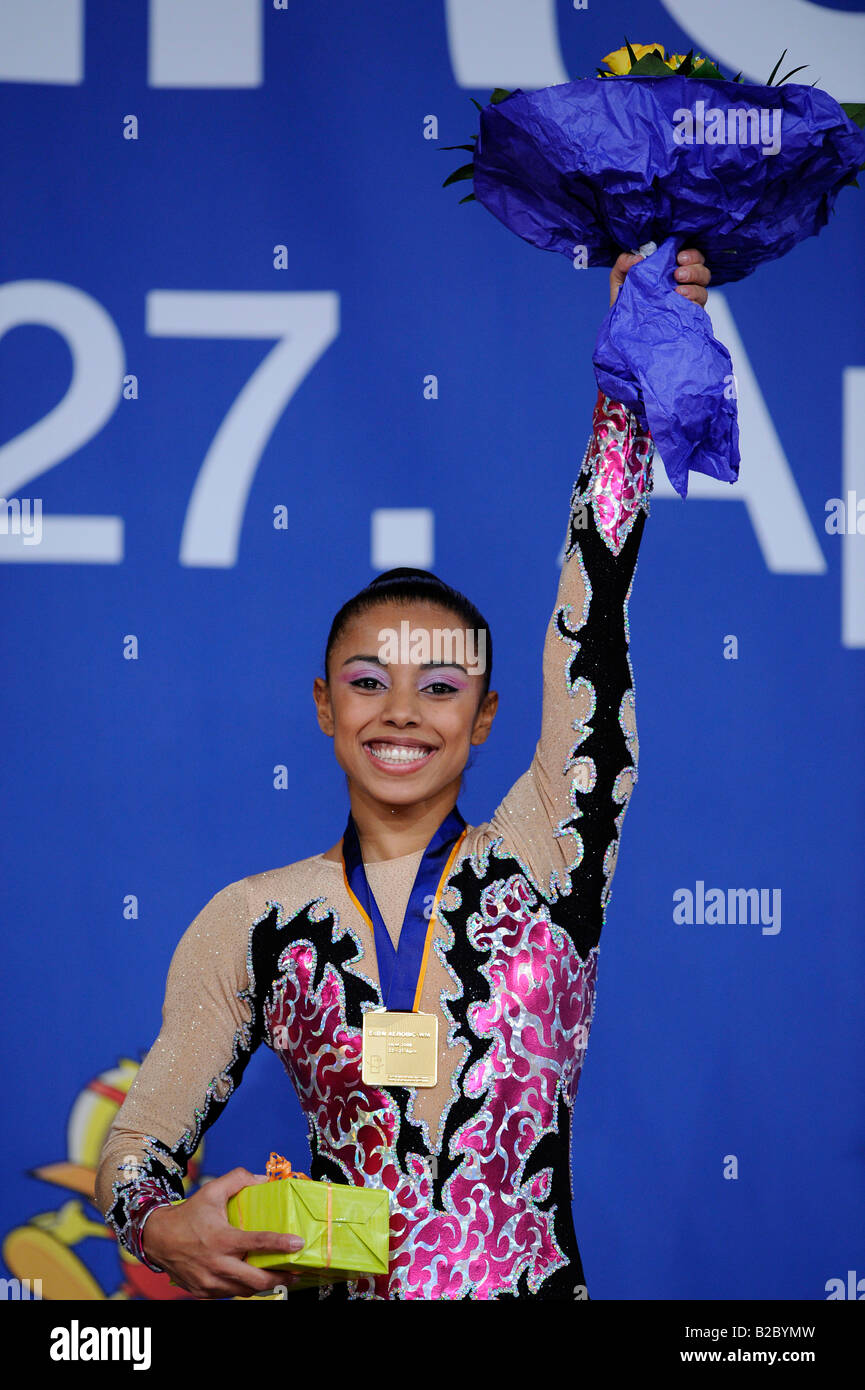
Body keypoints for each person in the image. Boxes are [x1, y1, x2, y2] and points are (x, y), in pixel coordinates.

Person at [95, 249, 712, 1300]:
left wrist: (634, 378)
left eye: (441, 687)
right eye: (369, 681)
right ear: (325, 705)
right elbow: (140, 1142)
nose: (401, 712)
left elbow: (592, 606)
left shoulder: (545, 856)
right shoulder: (251, 918)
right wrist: (156, 1223)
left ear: (486, 719)